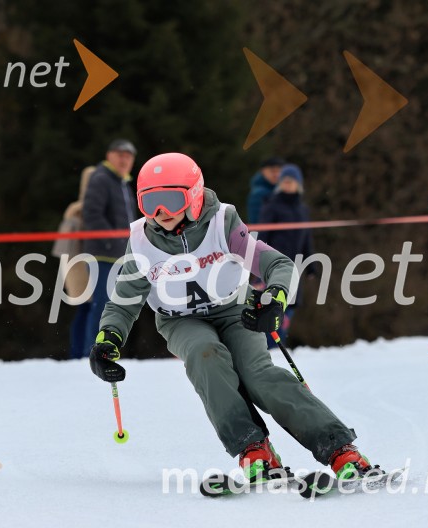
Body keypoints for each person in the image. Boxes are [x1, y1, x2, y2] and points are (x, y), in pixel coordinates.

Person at [88, 152, 375, 483]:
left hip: (234, 307)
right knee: (204, 355)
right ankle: (254, 450)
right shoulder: (140, 240)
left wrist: (275, 299)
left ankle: (340, 450)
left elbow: (278, 265)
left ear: (194, 197)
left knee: (258, 375)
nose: (160, 213)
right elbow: (124, 301)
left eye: (169, 200)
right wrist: (107, 338)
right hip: (180, 320)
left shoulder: (222, 223)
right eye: (149, 202)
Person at [81, 139, 138, 354]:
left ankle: (101, 350)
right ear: (109, 155)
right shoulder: (102, 178)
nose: (124, 159)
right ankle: (92, 352)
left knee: (112, 307)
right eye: (120, 154)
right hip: (102, 255)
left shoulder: (121, 182)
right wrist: (113, 242)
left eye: (128, 156)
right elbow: (92, 214)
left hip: (118, 255)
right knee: (102, 306)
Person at [258, 163, 316, 345]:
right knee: (272, 308)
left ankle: (276, 346)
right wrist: (258, 265)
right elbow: (262, 237)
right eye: (285, 181)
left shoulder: (302, 210)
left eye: (291, 181)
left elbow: (306, 240)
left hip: (294, 268)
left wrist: (311, 266)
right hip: (273, 266)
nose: (287, 184)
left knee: (289, 307)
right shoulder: (271, 206)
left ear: (298, 184)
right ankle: (267, 348)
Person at [52, 166, 96, 359]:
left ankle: (80, 352)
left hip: (80, 266)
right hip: (81, 267)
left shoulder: (77, 209)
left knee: (86, 310)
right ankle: (81, 352)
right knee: (88, 310)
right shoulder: (81, 211)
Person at [246, 156, 284, 224]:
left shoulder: (281, 190)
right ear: (263, 171)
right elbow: (256, 221)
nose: (276, 174)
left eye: (279, 171)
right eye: (272, 171)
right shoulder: (258, 194)